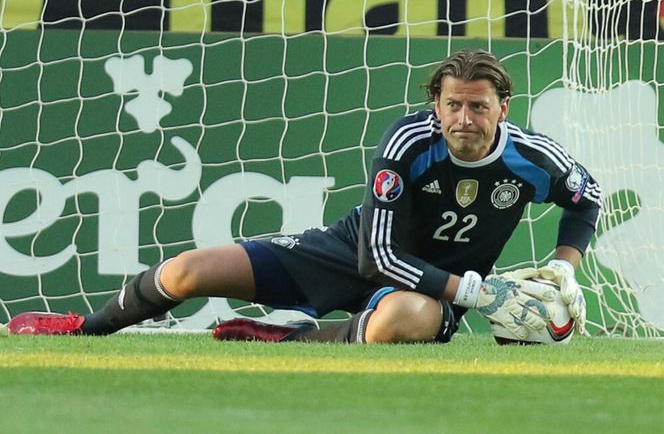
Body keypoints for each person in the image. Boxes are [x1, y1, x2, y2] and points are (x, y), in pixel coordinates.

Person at [7, 50, 601, 344]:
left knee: (397, 318)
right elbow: (377, 258)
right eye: (452, 105)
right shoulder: (409, 141)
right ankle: (85, 329)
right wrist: (478, 290)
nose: (464, 118)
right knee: (188, 271)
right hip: (353, 250)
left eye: (478, 105)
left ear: (503, 106)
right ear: (437, 105)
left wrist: (561, 266)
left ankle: (285, 337)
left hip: (429, 289)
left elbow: (586, 198)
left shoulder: (532, 157)